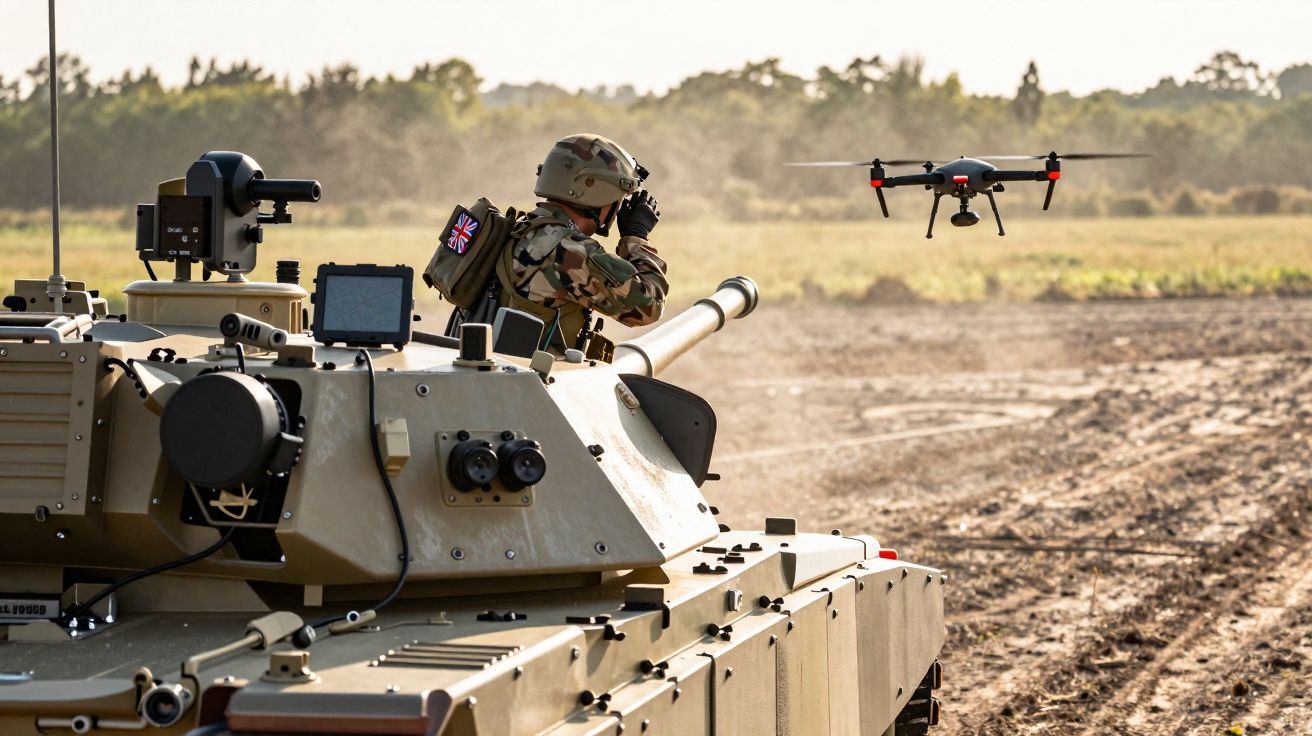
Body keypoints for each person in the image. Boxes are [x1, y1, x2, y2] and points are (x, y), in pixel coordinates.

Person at [492, 133, 667, 354]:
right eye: (618, 198)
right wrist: (636, 237)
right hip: (523, 382)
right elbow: (649, 305)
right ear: (597, 192)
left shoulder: (520, 229)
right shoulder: (568, 251)